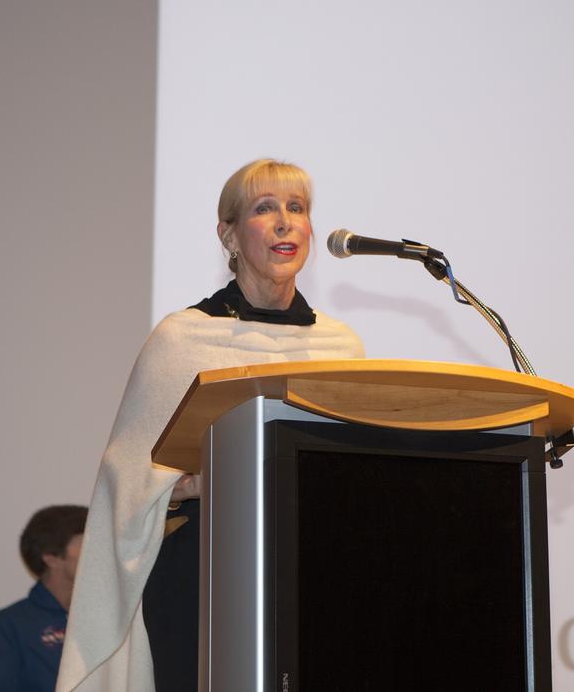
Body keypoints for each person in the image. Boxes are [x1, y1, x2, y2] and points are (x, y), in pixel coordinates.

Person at [56, 159, 364, 692]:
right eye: (265, 209)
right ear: (229, 233)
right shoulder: (183, 340)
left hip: (312, 573)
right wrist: (200, 483)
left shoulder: (340, 347)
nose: (285, 222)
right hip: (201, 572)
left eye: (297, 208)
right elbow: (128, 479)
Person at [0, 504, 89, 692]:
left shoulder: (110, 618)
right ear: (51, 557)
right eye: (89, 543)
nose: (102, 553)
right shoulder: (8, 627)